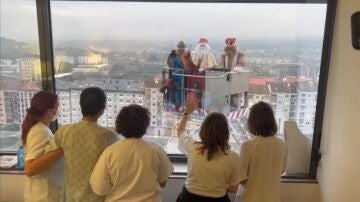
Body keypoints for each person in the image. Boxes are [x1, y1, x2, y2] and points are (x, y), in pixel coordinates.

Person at [46, 87, 118, 201]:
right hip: (97, 197)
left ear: (80, 105)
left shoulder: (64, 132)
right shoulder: (110, 136)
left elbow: (48, 156)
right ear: (103, 109)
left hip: (70, 196)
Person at [90, 104, 173, 202]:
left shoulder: (110, 152)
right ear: (145, 126)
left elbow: (100, 189)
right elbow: (163, 183)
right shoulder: (156, 150)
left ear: (120, 125)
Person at [176, 93, 242, 202]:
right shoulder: (233, 157)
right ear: (225, 133)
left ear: (203, 130)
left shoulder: (193, 148)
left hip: (188, 198)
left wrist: (187, 113)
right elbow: (233, 188)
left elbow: (180, 132)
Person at [235, 101, 287, 202]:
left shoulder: (248, 146)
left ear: (252, 122)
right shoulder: (282, 145)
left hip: (250, 198)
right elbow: (281, 170)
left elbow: (240, 177)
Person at [22, 91, 64, 202]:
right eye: (57, 106)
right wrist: (61, 150)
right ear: (50, 111)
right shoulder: (40, 131)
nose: (58, 110)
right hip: (43, 196)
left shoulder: (43, 129)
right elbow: (30, 169)